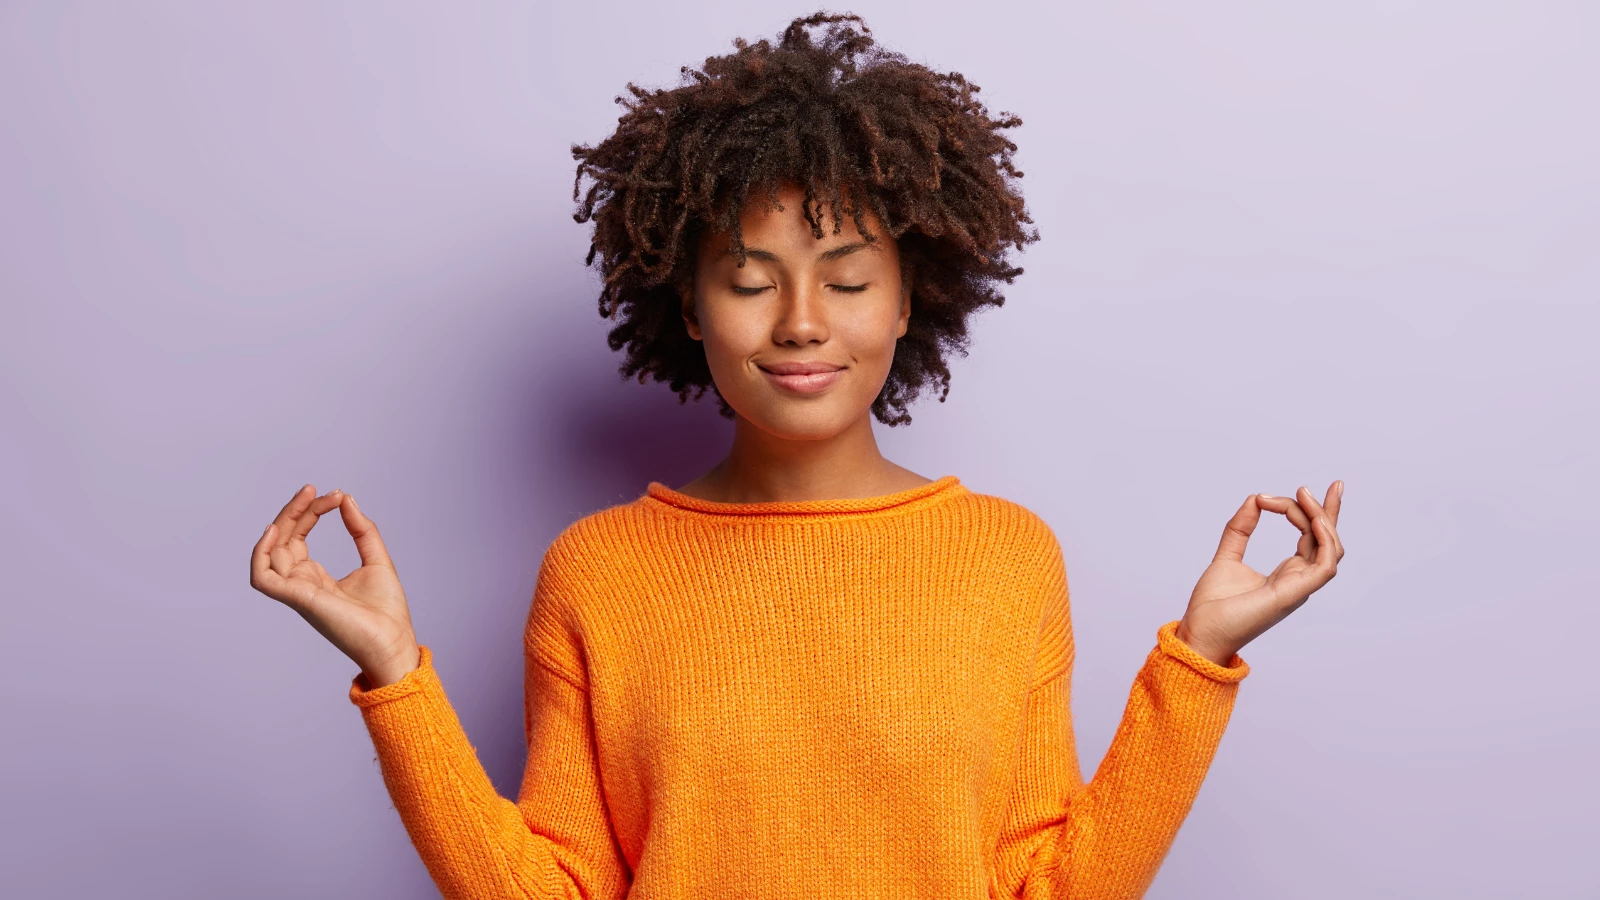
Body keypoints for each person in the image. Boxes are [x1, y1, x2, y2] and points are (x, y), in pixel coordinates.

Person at [247, 12, 1344, 899]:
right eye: (751, 278)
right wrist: (395, 677)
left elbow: (1051, 887)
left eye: (850, 279)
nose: (803, 322)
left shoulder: (1004, 560)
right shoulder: (597, 571)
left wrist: (1195, 662)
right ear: (687, 301)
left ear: (912, 296)